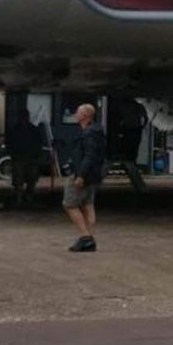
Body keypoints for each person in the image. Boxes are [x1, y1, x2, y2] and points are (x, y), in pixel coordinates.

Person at [63, 103, 106, 252]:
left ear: (85, 115)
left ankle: (85, 237)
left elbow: (89, 155)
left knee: (70, 204)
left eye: (78, 112)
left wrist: (80, 175)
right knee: (88, 205)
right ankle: (89, 237)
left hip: (83, 174)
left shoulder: (88, 133)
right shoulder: (97, 131)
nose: (75, 114)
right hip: (93, 175)